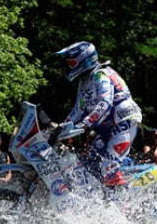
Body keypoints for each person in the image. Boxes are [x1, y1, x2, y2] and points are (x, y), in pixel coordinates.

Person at [56, 41, 142, 187]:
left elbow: (105, 103)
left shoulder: (100, 75)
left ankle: (122, 205)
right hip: (107, 127)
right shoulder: (84, 81)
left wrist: (85, 123)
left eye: (71, 62)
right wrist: (62, 128)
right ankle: (103, 198)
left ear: (84, 59)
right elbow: (78, 109)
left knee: (108, 165)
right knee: (91, 163)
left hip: (123, 122)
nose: (69, 66)